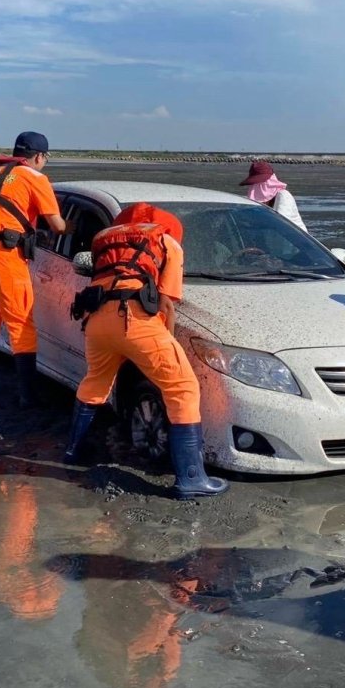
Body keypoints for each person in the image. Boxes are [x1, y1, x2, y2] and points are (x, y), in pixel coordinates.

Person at [64, 202, 228, 499]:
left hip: (97, 321)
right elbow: (166, 302)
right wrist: (167, 341)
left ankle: (72, 452)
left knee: (95, 383)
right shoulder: (166, 242)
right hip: (133, 319)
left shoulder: (106, 241)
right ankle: (192, 478)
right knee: (183, 387)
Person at [0, 131, 67, 408]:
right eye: (45, 158)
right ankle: (28, 395)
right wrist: (69, 229)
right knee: (20, 321)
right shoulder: (35, 178)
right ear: (38, 157)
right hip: (4, 253)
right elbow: (57, 225)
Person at [239, 160, 307, 231]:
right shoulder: (261, 202)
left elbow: (281, 223)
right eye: (254, 184)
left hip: (295, 240)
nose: (257, 187)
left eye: (261, 183)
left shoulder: (283, 195)